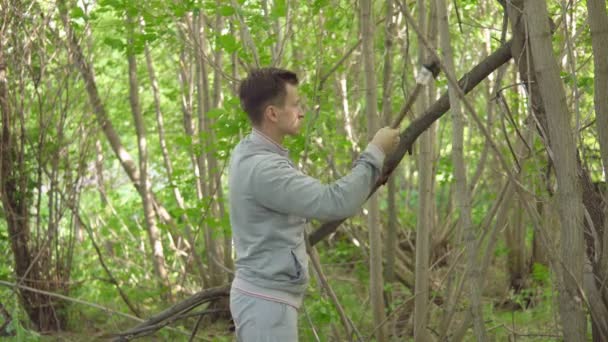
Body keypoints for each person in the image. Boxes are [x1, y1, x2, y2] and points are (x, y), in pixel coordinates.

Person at [228, 67, 400, 341]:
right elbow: (334, 202)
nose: (302, 112)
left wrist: (371, 175)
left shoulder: (249, 151)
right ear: (272, 113)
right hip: (266, 305)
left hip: (262, 298)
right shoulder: (265, 169)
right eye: (295, 105)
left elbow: (294, 204)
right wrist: (375, 151)